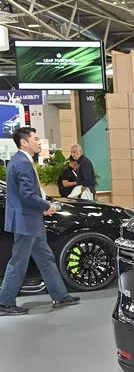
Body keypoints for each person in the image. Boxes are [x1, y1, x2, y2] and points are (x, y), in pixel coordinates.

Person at [0, 127, 81, 316]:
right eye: (35, 139)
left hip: (30, 220)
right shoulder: (22, 163)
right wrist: (46, 206)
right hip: (26, 221)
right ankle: (4, 302)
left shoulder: (21, 161)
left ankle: (60, 296)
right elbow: (27, 195)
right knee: (18, 262)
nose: (39, 142)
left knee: (45, 258)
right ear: (24, 142)